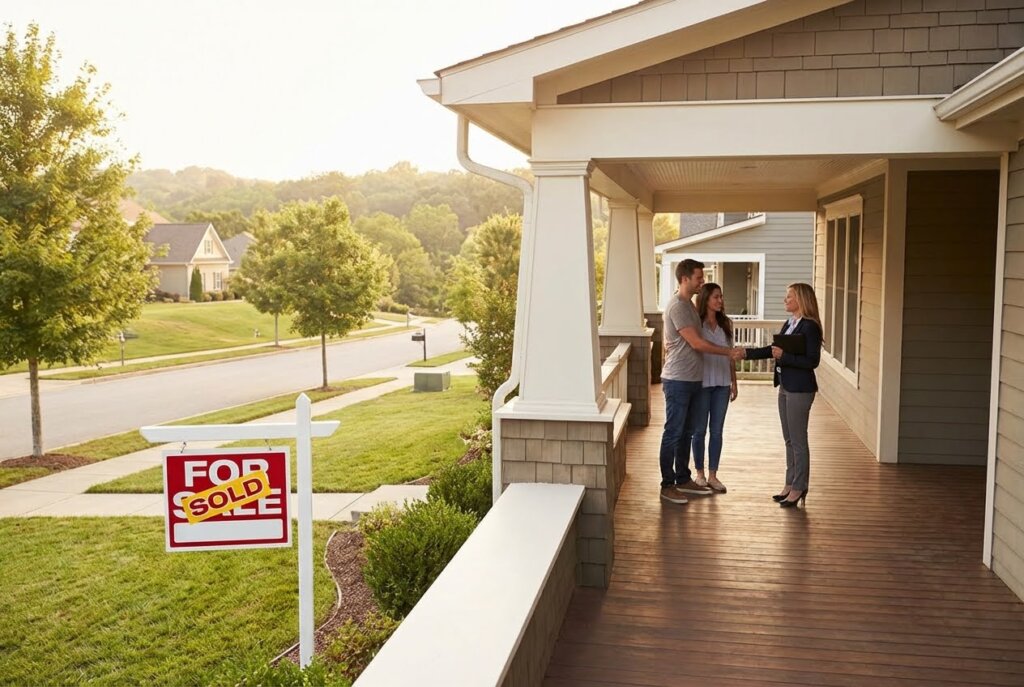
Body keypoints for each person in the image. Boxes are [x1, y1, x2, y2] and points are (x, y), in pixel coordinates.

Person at [659, 259, 745, 505]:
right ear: (685, 278)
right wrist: (728, 352)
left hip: (693, 379)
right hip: (677, 380)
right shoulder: (677, 306)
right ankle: (667, 484)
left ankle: (683, 478)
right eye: (699, 277)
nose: (702, 281)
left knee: (686, 432)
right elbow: (697, 343)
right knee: (673, 432)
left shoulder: (688, 306)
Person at [741, 283, 822, 508]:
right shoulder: (790, 323)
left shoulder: (810, 327)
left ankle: (799, 487)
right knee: (789, 440)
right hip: (785, 386)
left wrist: (784, 357)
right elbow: (773, 349)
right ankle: (789, 484)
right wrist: (746, 353)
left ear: (801, 300)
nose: (785, 300)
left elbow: (812, 361)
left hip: (800, 389)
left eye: (789, 297)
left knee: (798, 441)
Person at [691, 283, 738, 494]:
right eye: (716, 297)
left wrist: (734, 382)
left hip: (722, 384)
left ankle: (713, 475)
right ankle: (699, 474)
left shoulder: (726, 324)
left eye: (721, 297)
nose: (720, 301)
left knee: (717, 431)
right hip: (702, 384)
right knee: (699, 430)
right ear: (706, 299)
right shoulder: (696, 323)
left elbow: (731, 355)